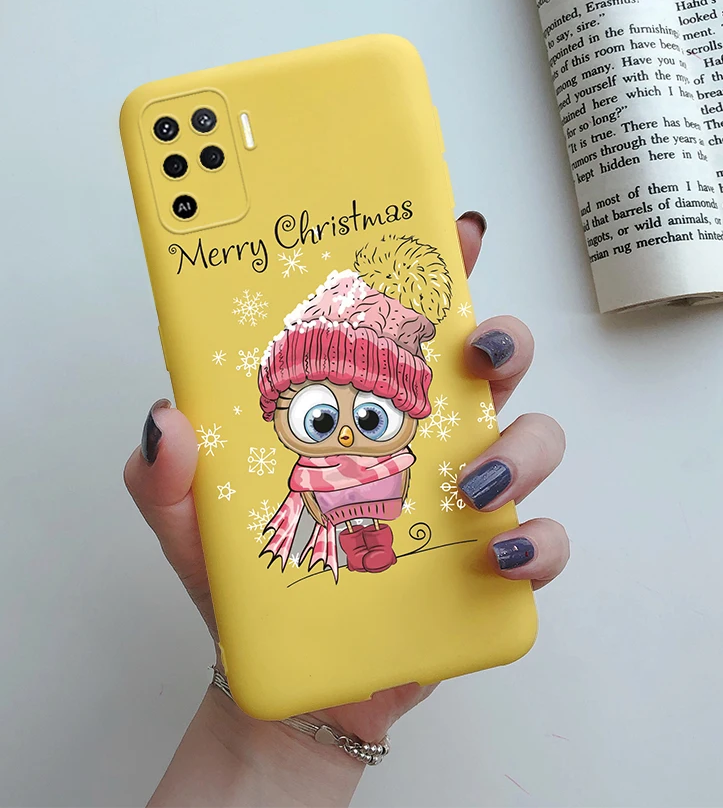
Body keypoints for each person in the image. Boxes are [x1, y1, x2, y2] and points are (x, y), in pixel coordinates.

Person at [123, 213, 569, 807]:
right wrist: (288, 734)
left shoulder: (396, 467)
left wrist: (305, 743)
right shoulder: (305, 480)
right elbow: (300, 516)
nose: (346, 436)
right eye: (317, 416)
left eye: (372, 417)